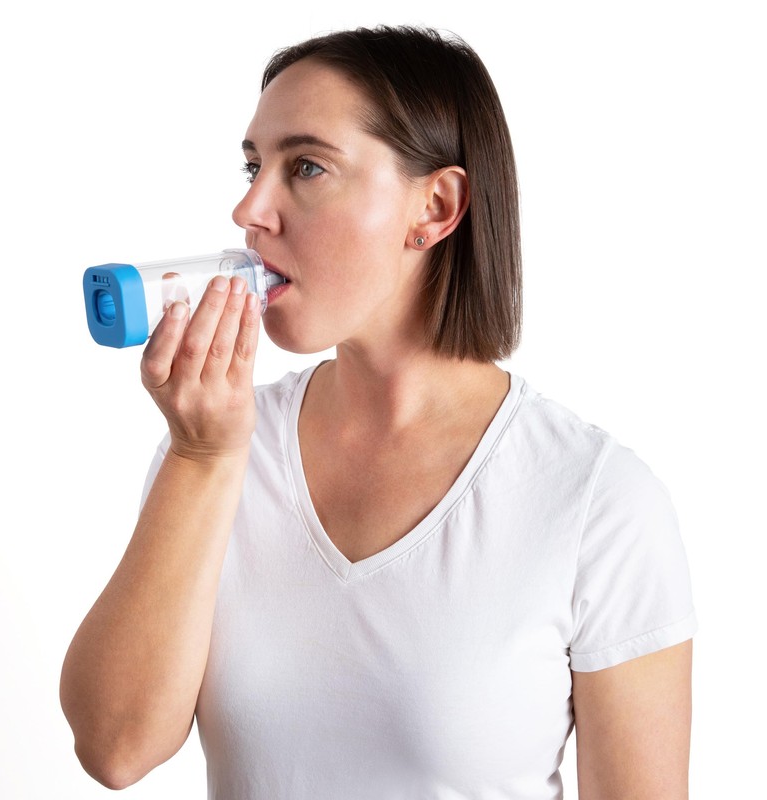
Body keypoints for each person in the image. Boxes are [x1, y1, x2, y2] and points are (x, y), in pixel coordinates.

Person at [60, 25, 697, 799]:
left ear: (436, 206)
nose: (249, 209)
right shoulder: (216, 448)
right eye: (254, 166)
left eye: (306, 167)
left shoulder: (596, 499)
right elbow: (115, 748)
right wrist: (201, 458)